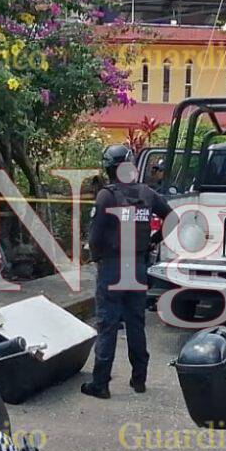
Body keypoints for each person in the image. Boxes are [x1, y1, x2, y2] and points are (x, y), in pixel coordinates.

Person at [82, 145, 173, 399]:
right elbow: (173, 218)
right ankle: (139, 379)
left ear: (109, 168)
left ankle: (100, 384)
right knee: (135, 322)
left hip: (112, 267)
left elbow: (95, 238)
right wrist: (154, 240)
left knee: (107, 324)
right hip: (137, 266)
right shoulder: (147, 193)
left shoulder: (106, 196)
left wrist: (97, 258)